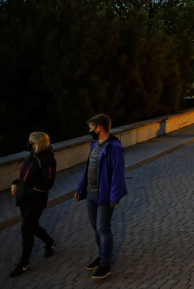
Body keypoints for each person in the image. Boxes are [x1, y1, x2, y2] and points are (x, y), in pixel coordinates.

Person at [75, 114, 128, 280]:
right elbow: (88, 169)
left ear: (99, 128)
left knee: (103, 228)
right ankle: (102, 255)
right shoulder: (94, 144)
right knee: (96, 227)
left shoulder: (114, 147)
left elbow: (118, 174)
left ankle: (105, 263)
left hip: (104, 195)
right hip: (91, 193)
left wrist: (114, 197)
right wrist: (80, 188)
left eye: (91, 127)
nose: (89, 130)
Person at [9, 132, 57, 278]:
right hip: (25, 198)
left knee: (26, 229)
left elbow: (47, 182)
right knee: (32, 226)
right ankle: (50, 242)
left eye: (32, 141)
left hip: (36, 200)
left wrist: (30, 192)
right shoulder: (32, 156)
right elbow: (26, 176)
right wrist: (15, 183)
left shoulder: (47, 160)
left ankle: (24, 263)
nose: (29, 143)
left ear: (39, 143)